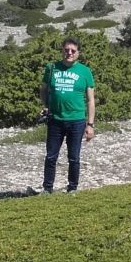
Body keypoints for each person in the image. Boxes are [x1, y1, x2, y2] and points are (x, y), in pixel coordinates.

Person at [38, 37, 95, 193]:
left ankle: (72, 188)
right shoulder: (51, 68)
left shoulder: (85, 71)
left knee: (74, 157)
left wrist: (90, 125)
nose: (69, 53)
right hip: (55, 119)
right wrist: (46, 105)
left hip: (76, 120)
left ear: (78, 53)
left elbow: (90, 100)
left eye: (73, 51)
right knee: (51, 156)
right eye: (66, 50)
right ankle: (47, 189)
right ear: (62, 51)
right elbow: (43, 89)